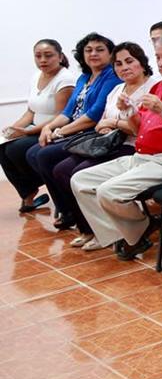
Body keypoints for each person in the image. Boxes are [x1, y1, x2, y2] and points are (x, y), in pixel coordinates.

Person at [70, 34, 162, 260]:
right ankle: (130, 233)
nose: (161, 63)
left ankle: (138, 231)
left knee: (108, 191)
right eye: (158, 57)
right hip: (144, 157)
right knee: (80, 181)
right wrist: (129, 112)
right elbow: (140, 130)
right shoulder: (159, 87)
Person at [58, 43, 158, 251]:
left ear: (142, 63)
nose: (124, 67)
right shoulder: (116, 89)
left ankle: (110, 232)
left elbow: (144, 129)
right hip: (108, 142)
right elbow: (101, 120)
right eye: (119, 64)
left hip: (134, 147)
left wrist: (113, 124)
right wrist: (107, 126)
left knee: (79, 172)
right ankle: (89, 228)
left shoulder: (153, 88)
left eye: (129, 61)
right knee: (61, 170)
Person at [27, 33, 119, 231]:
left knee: (44, 155)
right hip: (73, 129)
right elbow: (68, 111)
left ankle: (70, 210)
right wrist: (48, 127)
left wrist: (59, 132)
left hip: (92, 131)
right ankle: (65, 207)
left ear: (110, 54)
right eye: (88, 50)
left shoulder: (112, 76)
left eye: (99, 49)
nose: (93, 54)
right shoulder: (84, 77)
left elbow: (94, 116)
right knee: (33, 153)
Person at [1, 40, 75, 213]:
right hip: (34, 128)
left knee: (15, 149)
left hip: (54, 130)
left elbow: (61, 116)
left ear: (60, 56)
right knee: (2, 146)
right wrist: (12, 129)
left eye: (48, 55)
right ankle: (28, 194)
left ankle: (50, 188)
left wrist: (26, 132)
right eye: (38, 56)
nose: (43, 60)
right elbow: (30, 111)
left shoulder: (65, 79)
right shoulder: (36, 76)